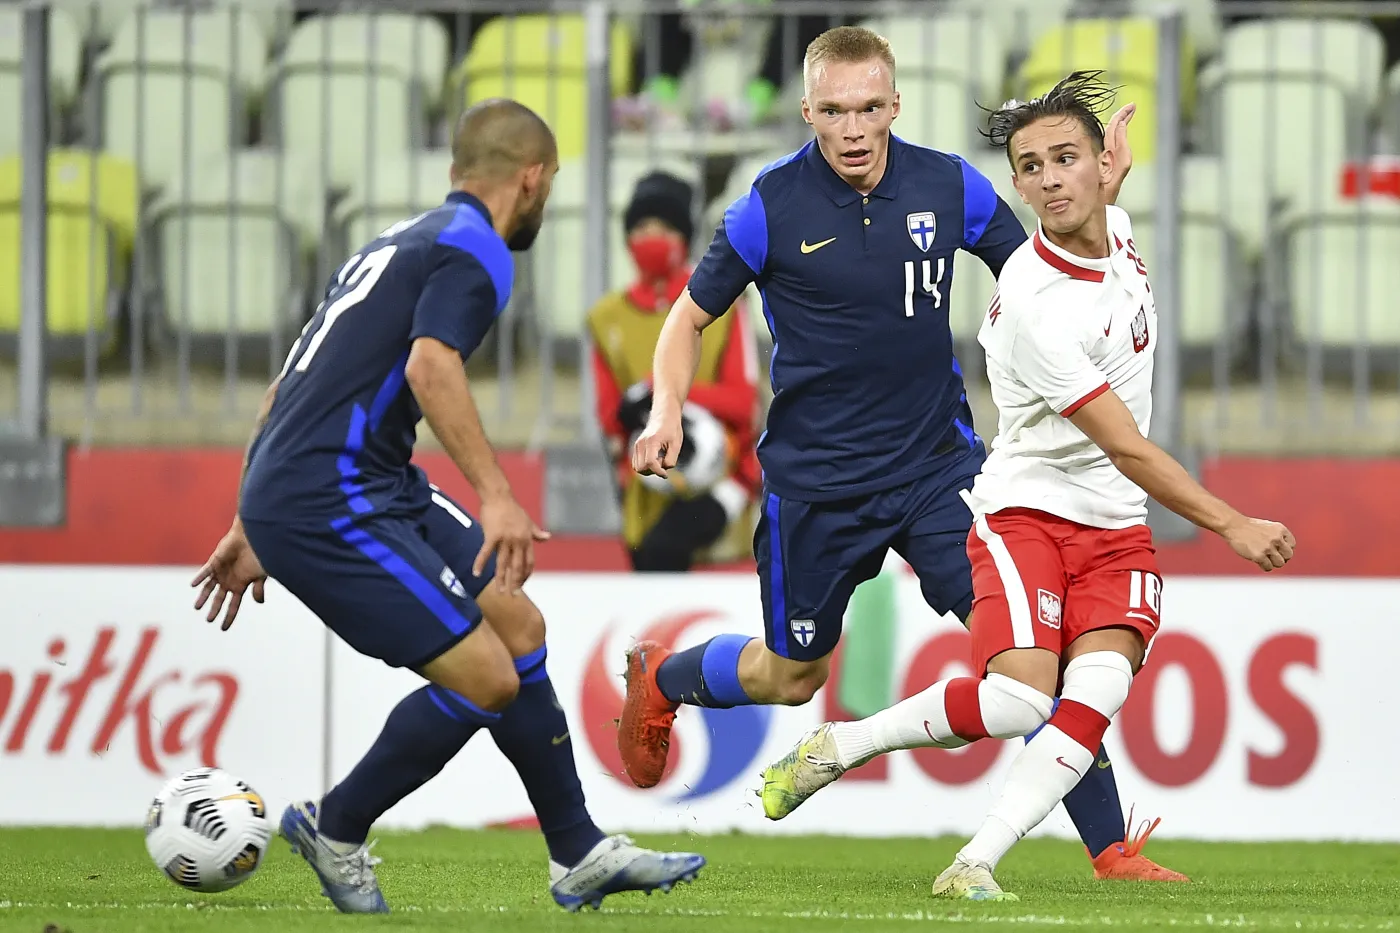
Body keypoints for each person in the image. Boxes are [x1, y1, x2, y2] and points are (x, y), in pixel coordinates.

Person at [622, 26, 1185, 883]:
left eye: (868, 108)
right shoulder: (768, 206)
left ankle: (1110, 849)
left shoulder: (948, 185)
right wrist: (668, 406)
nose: (853, 129)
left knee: (1030, 654)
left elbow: (1044, 268)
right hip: (816, 484)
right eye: (834, 111)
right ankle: (664, 678)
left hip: (938, 473)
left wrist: (1101, 192)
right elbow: (688, 317)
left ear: (895, 105)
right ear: (806, 110)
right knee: (790, 674)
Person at [755, 72, 1297, 901]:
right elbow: (1129, 449)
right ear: (1015, 183)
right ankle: (845, 744)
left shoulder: (1114, 227)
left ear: (1102, 167)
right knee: (1017, 699)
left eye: (1066, 159)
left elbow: (1100, 211)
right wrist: (1232, 524)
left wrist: (1108, 175)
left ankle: (975, 860)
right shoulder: (1035, 305)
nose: (1049, 180)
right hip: (1027, 515)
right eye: (1031, 167)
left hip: (1113, 524)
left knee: (1097, 690)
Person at [189, 98, 705, 915]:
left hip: (364, 477)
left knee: (519, 628)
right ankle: (337, 825)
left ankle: (578, 852)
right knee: (487, 678)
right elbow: (431, 368)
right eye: (550, 184)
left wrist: (250, 515)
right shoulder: (478, 250)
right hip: (328, 494)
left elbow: (285, 387)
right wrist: (497, 497)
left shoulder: (394, 242)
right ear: (530, 179)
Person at [588, 171, 761, 572]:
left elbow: (744, 404)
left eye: (664, 228)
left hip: (720, 490)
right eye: (641, 228)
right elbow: (611, 418)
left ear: (684, 236)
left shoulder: (723, 305)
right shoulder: (606, 319)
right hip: (646, 496)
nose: (651, 239)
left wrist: (659, 391)